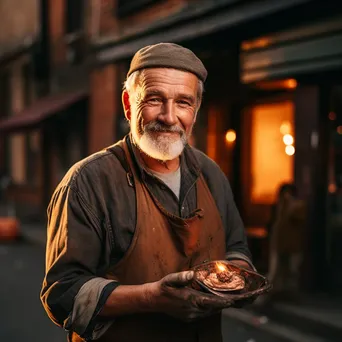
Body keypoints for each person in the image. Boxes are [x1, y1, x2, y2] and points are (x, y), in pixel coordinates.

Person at [40, 43, 255, 342]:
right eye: (154, 99)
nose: (169, 117)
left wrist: (236, 277)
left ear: (196, 109)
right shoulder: (87, 182)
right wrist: (152, 298)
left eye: (183, 102)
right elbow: (62, 293)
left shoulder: (210, 174)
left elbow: (236, 249)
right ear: (128, 104)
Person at [267, 183, 306, 298]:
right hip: (280, 243)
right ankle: (276, 292)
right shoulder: (279, 207)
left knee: (292, 270)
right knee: (277, 270)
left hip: (292, 245)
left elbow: (296, 218)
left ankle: (288, 293)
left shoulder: (297, 206)